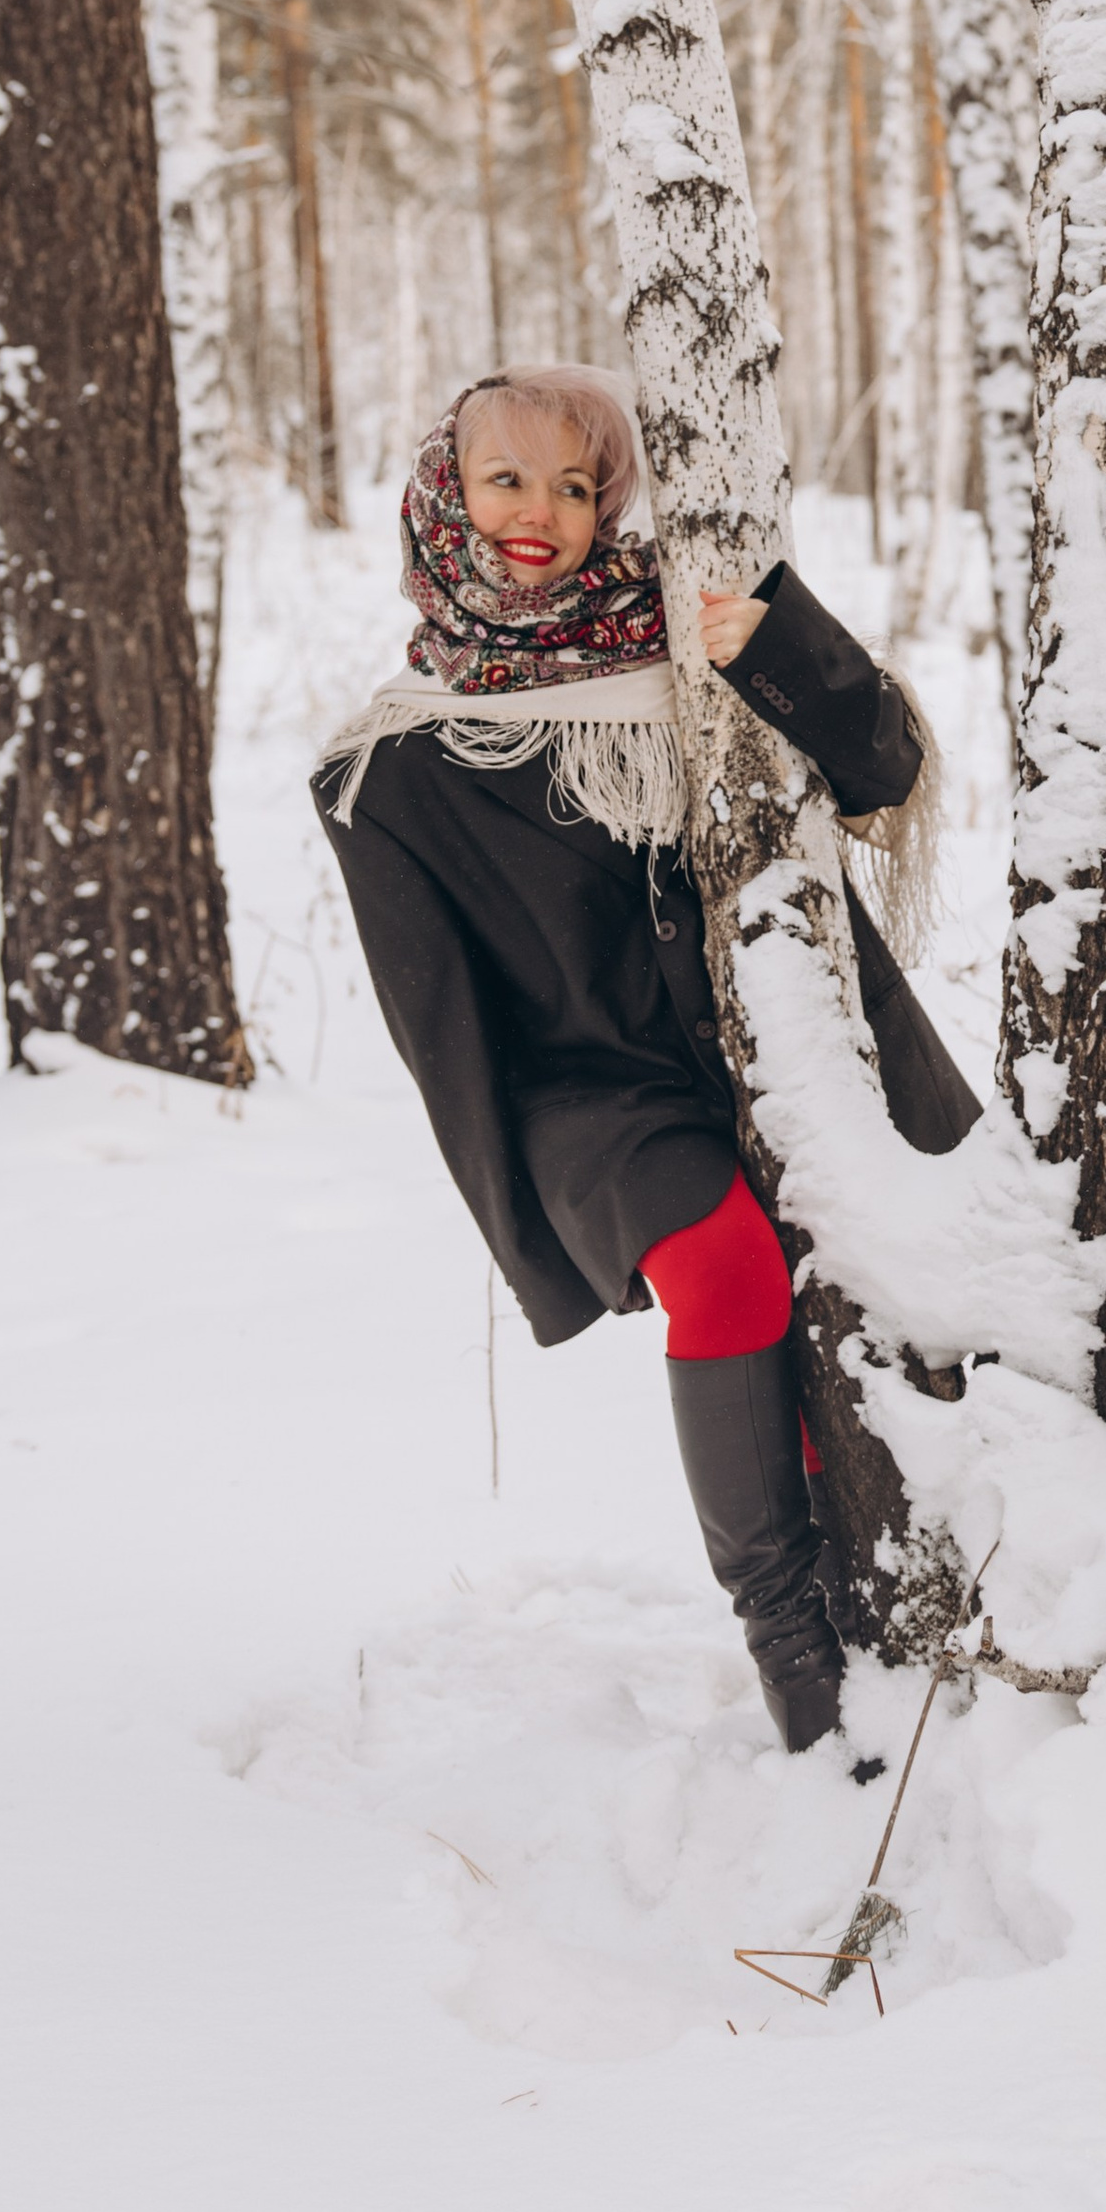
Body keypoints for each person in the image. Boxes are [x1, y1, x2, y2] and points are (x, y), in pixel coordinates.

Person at [314, 366, 979, 1752]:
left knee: (932, 1300)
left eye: (577, 486)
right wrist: (533, 1224)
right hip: (594, 1098)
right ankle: (796, 1655)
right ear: (447, 490)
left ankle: (958, 1593)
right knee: (729, 1268)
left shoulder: (689, 638)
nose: (540, 515)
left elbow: (888, 773)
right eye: (507, 480)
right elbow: (445, 1033)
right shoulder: (389, 767)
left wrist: (774, 646)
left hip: (799, 1036)